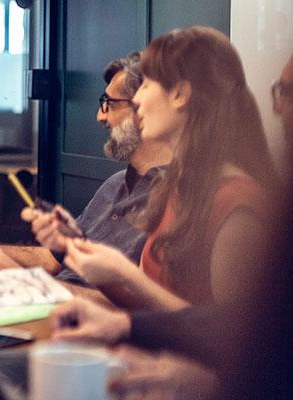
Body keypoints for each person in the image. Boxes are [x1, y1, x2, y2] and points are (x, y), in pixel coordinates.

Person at [45, 51, 293, 399]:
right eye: (279, 92)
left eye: (147, 89)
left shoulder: (239, 205)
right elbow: (211, 325)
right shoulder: (181, 193)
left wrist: (124, 298)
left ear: (184, 102)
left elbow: (246, 342)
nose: (279, 109)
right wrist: (124, 315)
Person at [44, 27, 278, 311]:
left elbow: (230, 340)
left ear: (180, 94)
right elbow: (153, 312)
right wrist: (108, 272)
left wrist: (123, 274)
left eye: (146, 84)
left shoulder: (238, 206)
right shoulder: (176, 189)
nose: (138, 100)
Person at [0, 53, 173, 278]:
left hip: (75, 326)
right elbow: (53, 259)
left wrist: (23, 282)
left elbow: (129, 310)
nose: (100, 117)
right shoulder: (114, 186)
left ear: (144, 107)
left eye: (109, 104)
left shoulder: (173, 201)